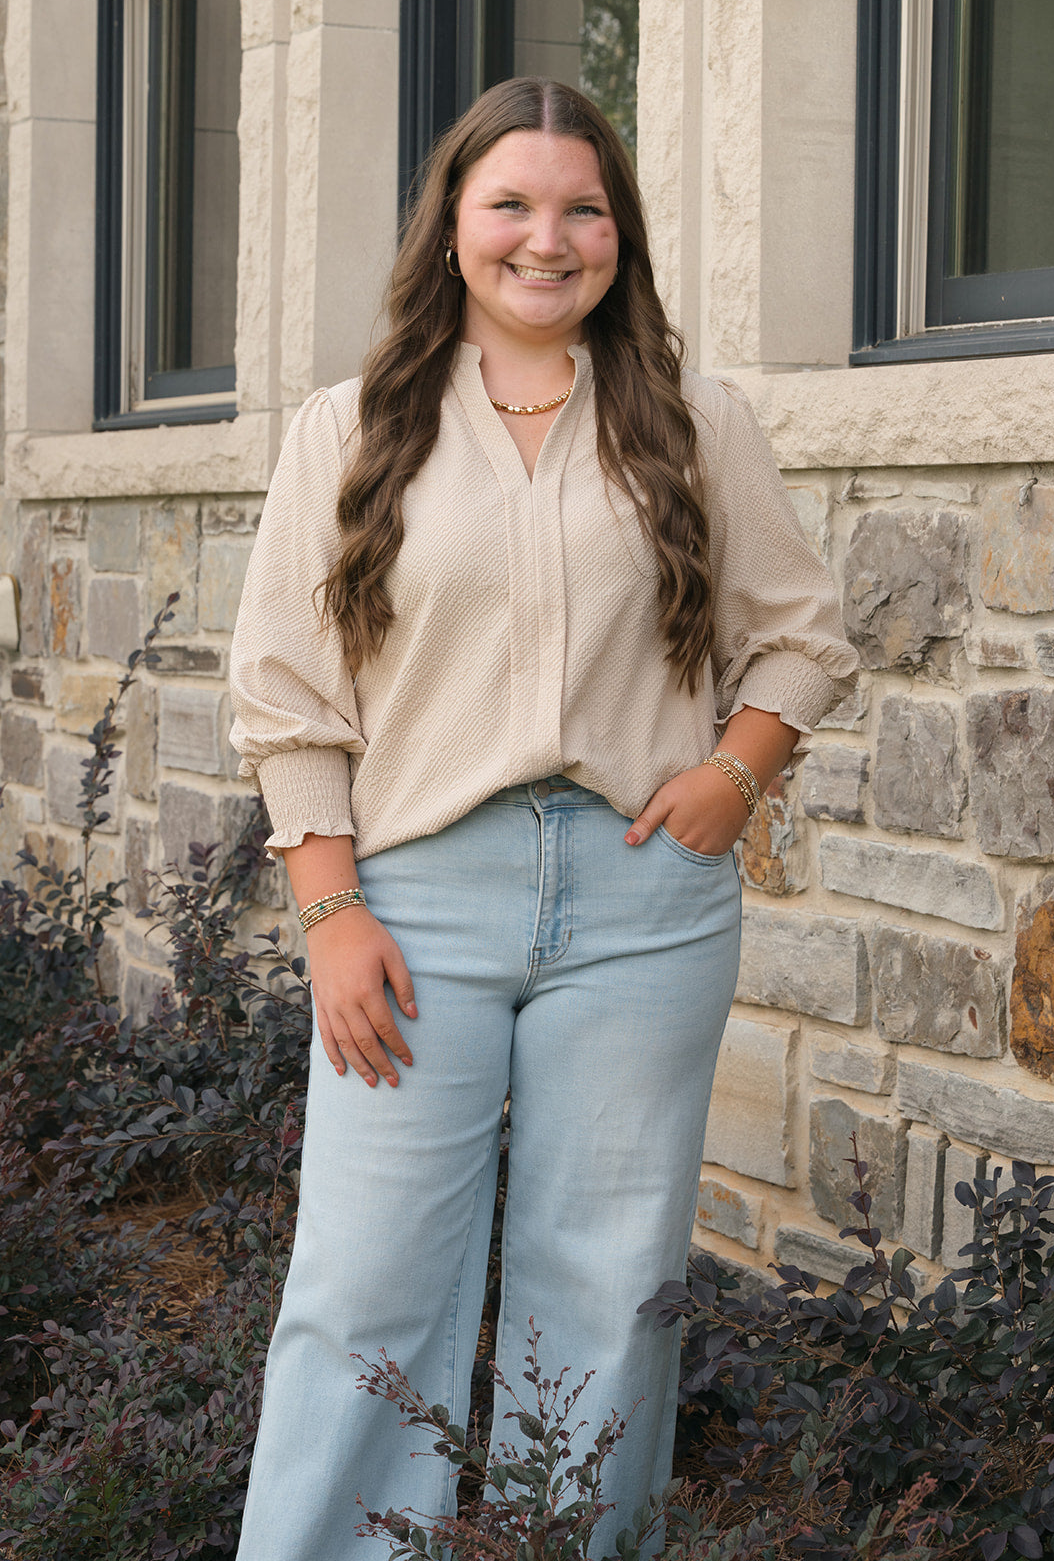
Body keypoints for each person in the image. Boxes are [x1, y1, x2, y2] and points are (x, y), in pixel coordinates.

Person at [229, 76, 858, 1561]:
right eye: (511, 202)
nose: (546, 237)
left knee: (607, 1287)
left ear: (619, 238)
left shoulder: (695, 422)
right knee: (364, 1284)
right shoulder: (352, 428)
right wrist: (332, 915)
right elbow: (286, 697)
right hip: (416, 901)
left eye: (582, 207)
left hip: (645, 906)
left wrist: (736, 774)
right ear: (453, 226)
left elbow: (805, 634)